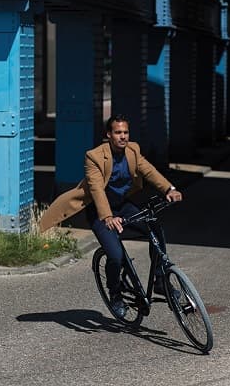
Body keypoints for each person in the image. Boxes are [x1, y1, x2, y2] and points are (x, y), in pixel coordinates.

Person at [39, 114, 182, 318]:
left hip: (123, 206)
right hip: (99, 212)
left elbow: (148, 171)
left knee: (155, 229)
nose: (123, 136)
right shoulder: (94, 157)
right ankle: (115, 294)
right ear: (109, 134)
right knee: (115, 256)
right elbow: (96, 189)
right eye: (118, 132)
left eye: (125, 132)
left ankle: (160, 281)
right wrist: (107, 217)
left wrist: (169, 189)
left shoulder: (133, 150)